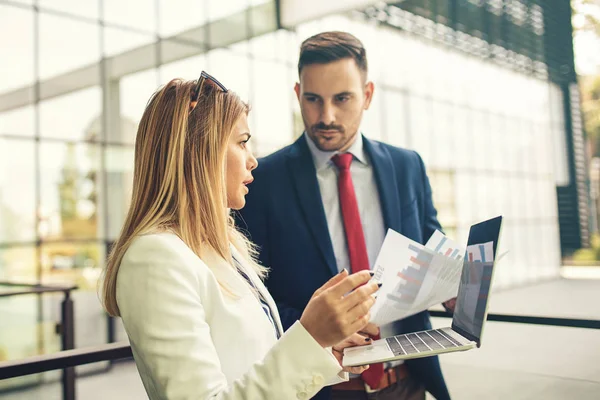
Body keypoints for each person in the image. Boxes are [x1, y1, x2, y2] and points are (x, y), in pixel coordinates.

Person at [100, 71, 381, 400]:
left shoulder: (222, 247)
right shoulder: (155, 259)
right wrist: (308, 335)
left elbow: (252, 361)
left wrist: (320, 346)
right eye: (242, 142)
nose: (253, 161)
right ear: (201, 152)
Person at [236, 32, 452, 400]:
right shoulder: (261, 180)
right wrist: (313, 330)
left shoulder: (407, 166)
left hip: (407, 382)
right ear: (297, 94)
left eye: (342, 99)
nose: (326, 116)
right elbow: (253, 297)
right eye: (313, 100)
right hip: (320, 388)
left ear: (367, 95)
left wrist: (455, 288)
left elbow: (433, 247)